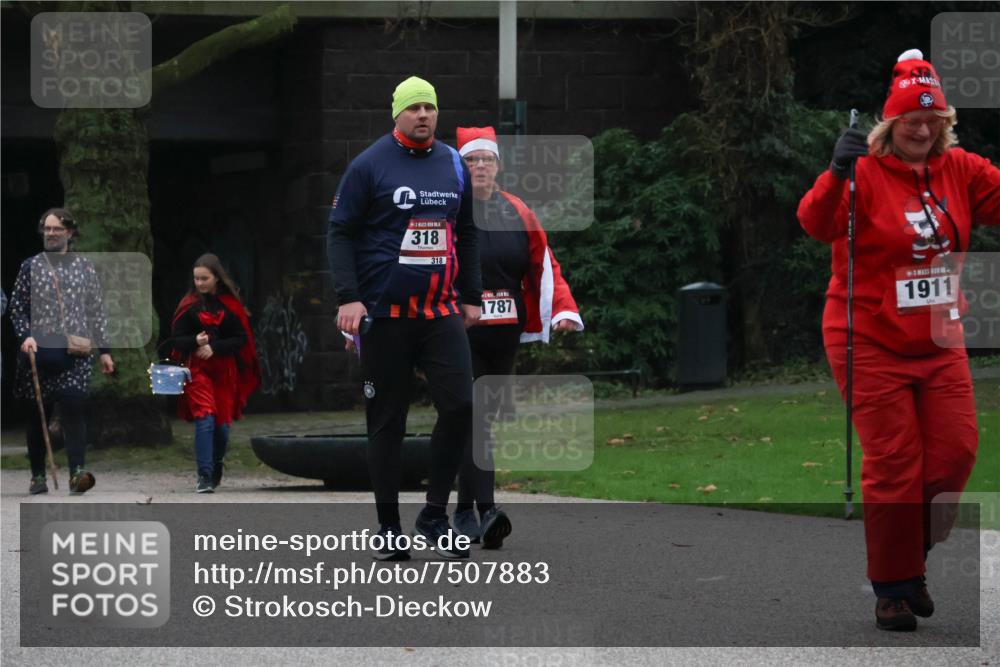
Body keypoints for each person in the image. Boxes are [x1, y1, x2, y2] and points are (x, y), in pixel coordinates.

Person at [797, 49, 1000, 631]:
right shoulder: (861, 172)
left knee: (956, 455)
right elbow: (815, 223)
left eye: (933, 119)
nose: (922, 129)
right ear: (891, 122)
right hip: (866, 337)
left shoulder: (961, 169)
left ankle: (910, 558)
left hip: (939, 336)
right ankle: (893, 587)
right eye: (912, 118)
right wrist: (835, 173)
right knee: (895, 464)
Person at [327, 76, 482, 561]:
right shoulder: (368, 165)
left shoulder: (453, 163)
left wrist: (471, 295)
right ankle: (388, 527)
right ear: (397, 113)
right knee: (387, 422)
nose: (423, 115)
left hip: (440, 312)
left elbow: (468, 232)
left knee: (460, 406)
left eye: (429, 108)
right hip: (384, 314)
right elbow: (340, 231)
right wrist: (349, 298)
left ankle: (434, 516)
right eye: (414, 108)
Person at [451, 126, 584, 549]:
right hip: (459, 333)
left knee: (482, 423)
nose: (480, 167)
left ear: (498, 165)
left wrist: (563, 308)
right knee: (474, 417)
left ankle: (464, 513)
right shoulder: (449, 210)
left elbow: (544, 265)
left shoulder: (518, 211)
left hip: (504, 336)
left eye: (486, 159)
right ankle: (486, 511)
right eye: (471, 160)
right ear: (459, 167)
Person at [9, 207, 114, 495]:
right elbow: (17, 308)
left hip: (74, 353)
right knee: (37, 416)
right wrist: (25, 336)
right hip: (37, 352)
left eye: (57, 228)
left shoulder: (85, 268)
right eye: (47, 228)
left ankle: (77, 473)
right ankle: (38, 475)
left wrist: (105, 350)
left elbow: (95, 310)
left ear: (70, 232)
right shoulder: (30, 267)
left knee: (73, 409)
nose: (51, 233)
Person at [170, 254, 260, 493]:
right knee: (205, 417)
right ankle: (204, 475)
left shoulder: (230, 305)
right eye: (196, 279)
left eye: (204, 278)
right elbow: (176, 340)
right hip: (197, 371)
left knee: (221, 426)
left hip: (224, 372)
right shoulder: (188, 305)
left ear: (216, 278)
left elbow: (241, 339)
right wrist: (195, 341)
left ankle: (217, 463)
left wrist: (215, 347)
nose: (199, 283)